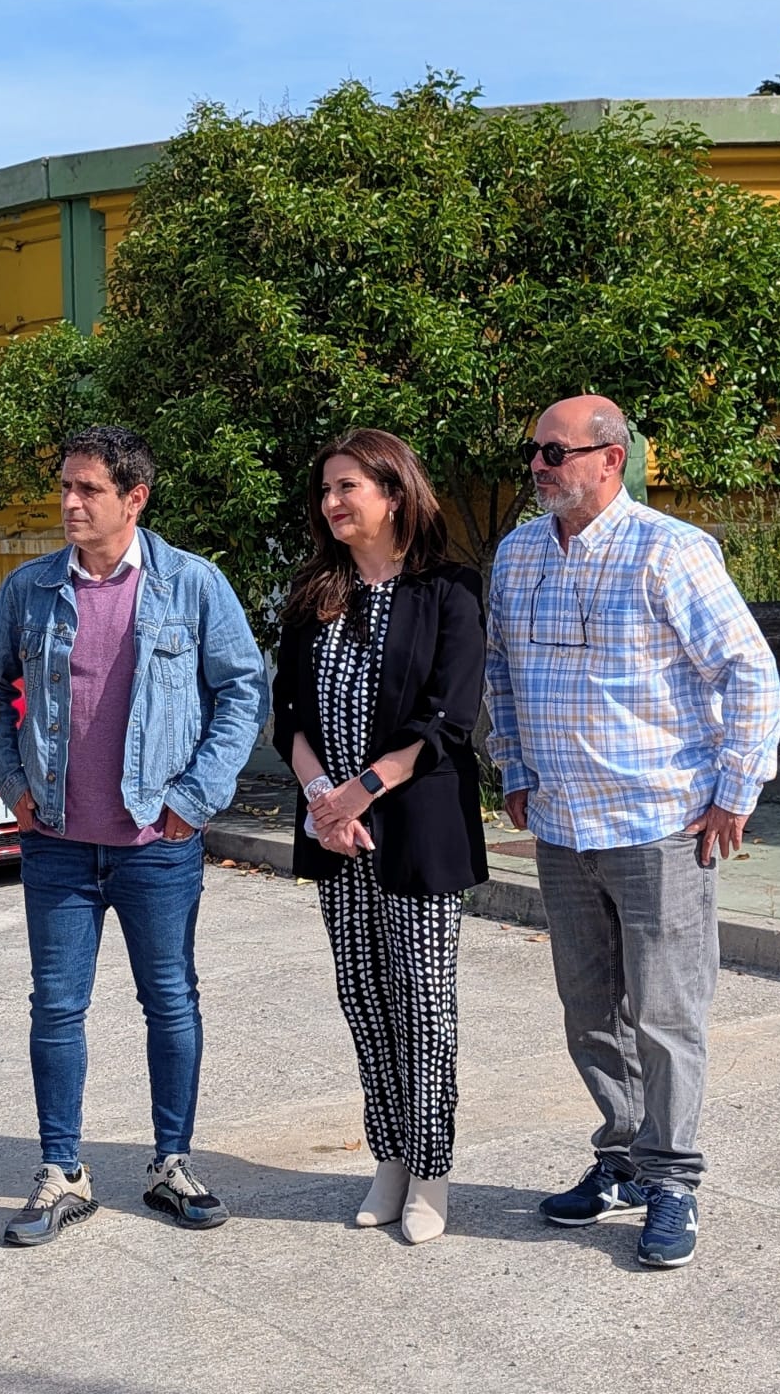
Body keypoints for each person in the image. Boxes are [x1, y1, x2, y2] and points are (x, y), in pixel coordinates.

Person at [484, 393, 780, 1269]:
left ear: (609, 458)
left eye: (554, 452)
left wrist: (736, 789)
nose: (538, 467)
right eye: (533, 453)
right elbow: (499, 671)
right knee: (588, 1011)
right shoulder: (516, 554)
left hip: (659, 825)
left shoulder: (669, 551)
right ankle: (618, 1157)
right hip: (563, 828)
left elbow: (747, 669)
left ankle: (673, 1180)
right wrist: (514, 768)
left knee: (665, 1012)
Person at [0, 424, 268, 1247]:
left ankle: (171, 1164)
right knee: (56, 1007)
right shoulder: (30, 590)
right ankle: (62, 1172)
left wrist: (195, 798)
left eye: (88, 490)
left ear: (133, 498)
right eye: (65, 487)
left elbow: (242, 692)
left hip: (158, 842)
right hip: (59, 843)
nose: (69, 503)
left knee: (169, 1001)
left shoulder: (191, 585)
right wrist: (13, 785)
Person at [269, 428, 487, 1244]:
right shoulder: (314, 595)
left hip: (416, 832)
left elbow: (448, 721)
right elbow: (288, 718)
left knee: (423, 1005)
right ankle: (388, 1156)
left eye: (346, 487)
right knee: (364, 1002)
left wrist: (359, 793)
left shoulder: (449, 591)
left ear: (393, 494)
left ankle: (431, 1173)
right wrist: (324, 801)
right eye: (325, 490)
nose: (330, 503)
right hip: (336, 838)